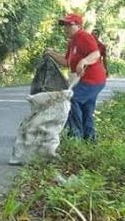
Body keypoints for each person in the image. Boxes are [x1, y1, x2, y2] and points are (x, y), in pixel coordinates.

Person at [46, 13, 107, 141]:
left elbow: (95, 53)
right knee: (87, 108)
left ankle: (76, 135)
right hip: (86, 80)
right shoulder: (73, 41)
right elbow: (66, 62)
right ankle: (89, 139)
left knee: (72, 99)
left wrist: (84, 61)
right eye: (64, 25)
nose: (65, 28)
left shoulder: (84, 36)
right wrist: (51, 53)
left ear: (79, 26)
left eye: (69, 25)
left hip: (93, 79)